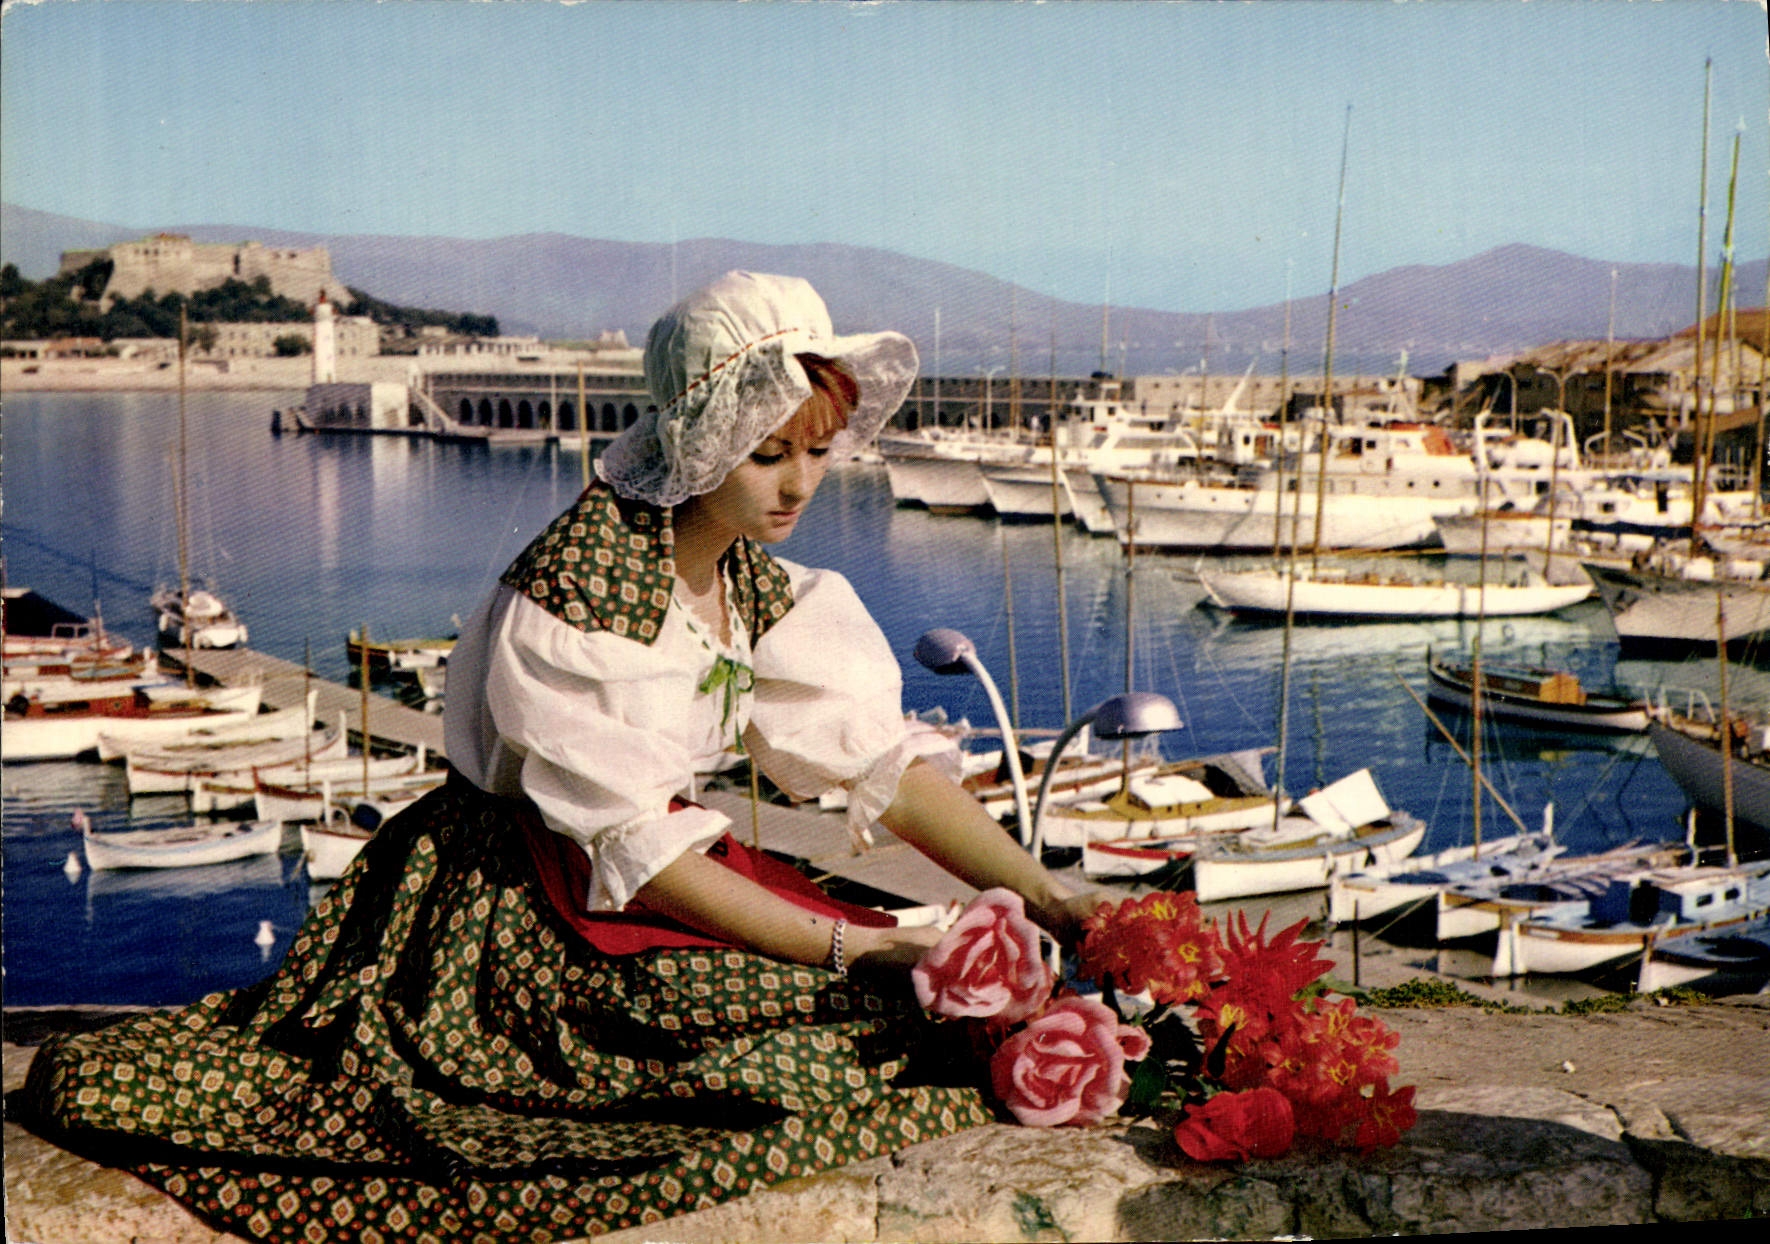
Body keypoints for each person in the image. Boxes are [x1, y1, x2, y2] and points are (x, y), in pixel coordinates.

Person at [25, 271, 1100, 1243]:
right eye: (768, 452)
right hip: (506, 909)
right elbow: (644, 854)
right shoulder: (580, 595)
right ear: (697, 438)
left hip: (628, 879)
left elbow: (882, 766)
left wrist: (1046, 891)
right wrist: (849, 948)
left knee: (890, 1022)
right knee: (796, 1053)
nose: (799, 483)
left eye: (816, 450)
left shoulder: (753, 587)